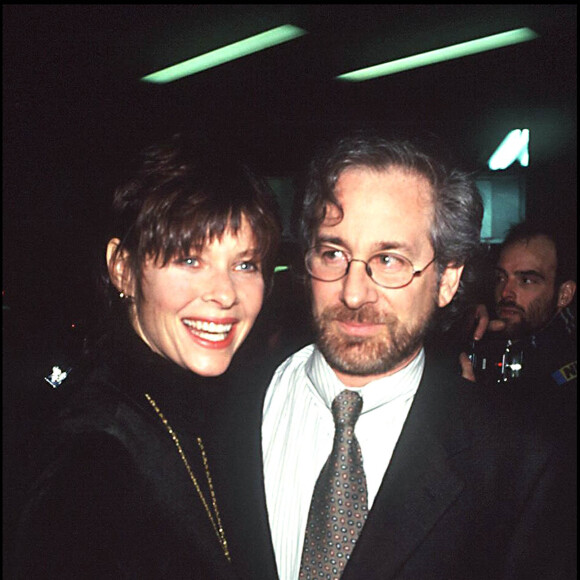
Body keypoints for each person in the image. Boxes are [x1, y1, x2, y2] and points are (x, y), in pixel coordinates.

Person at [209, 132, 576, 580]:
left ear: (446, 280)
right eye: (333, 253)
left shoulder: (517, 460)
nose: (353, 291)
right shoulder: (216, 407)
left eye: (389, 260)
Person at [11, 133, 282, 579]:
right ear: (123, 268)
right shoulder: (90, 458)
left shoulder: (227, 411)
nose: (224, 294)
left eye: (245, 264)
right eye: (190, 260)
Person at [460, 221, 576, 390]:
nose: (506, 292)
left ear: (564, 294)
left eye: (526, 281)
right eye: (501, 278)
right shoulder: (483, 337)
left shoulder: (564, 363)